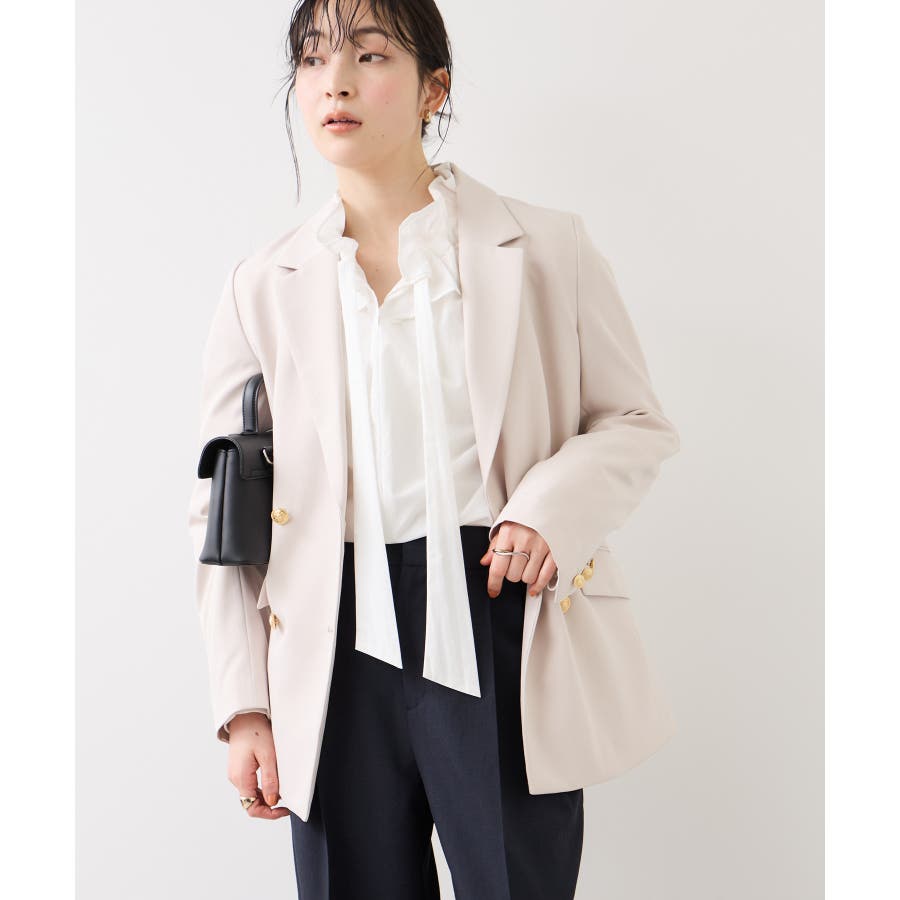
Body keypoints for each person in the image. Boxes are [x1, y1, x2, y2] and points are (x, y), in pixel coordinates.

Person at [187, 1, 681, 897]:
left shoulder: (544, 248)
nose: (335, 81)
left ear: (433, 89)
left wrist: (547, 511)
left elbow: (634, 421)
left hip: (494, 612)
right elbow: (220, 512)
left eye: (370, 55)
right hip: (328, 642)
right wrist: (246, 704)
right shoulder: (262, 286)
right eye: (312, 59)